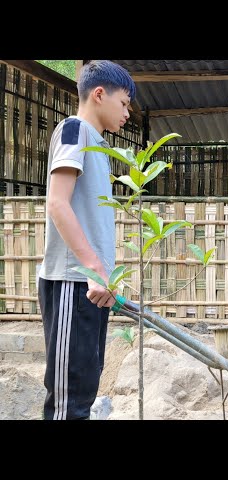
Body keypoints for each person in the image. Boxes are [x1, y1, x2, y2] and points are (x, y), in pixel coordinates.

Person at [37, 60, 136, 420]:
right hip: (72, 283)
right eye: (124, 103)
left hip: (93, 288)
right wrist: (93, 266)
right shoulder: (74, 130)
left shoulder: (97, 147)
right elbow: (57, 203)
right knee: (68, 401)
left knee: (84, 388)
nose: (128, 112)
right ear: (99, 94)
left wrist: (104, 275)